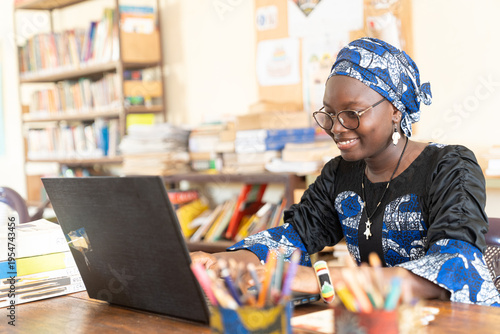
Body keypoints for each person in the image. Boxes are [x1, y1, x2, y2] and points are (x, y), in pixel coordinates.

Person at [191, 37, 500, 306]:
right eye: (329, 114)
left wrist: (322, 279)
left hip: (458, 323)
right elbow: (293, 235)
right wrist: (221, 262)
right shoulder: (339, 173)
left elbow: (455, 266)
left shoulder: (451, 167)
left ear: (395, 109)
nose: (337, 128)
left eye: (351, 114)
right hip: (375, 320)